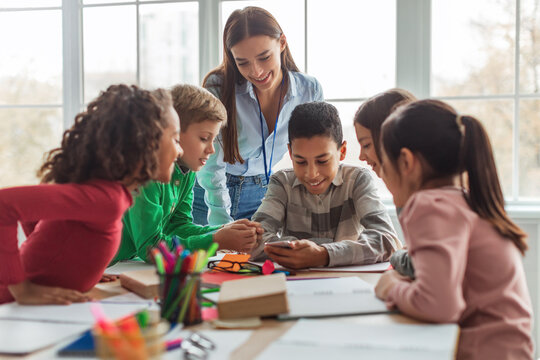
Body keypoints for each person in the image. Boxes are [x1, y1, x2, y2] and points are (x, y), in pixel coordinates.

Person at [373, 99, 533, 359]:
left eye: (383, 162)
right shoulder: (461, 200)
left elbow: (439, 305)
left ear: (406, 161)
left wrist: (390, 287)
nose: (382, 174)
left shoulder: (431, 205)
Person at [0, 84, 181, 304]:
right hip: (10, 306)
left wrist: (75, 268)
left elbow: (40, 212)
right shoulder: (107, 199)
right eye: (175, 139)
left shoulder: (109, 193)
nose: (179, 150)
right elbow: (4, 205)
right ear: (144, 144)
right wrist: (23, 289)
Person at [192, 6, 324, 226]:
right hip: (207, 194)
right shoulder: (218, 87)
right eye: (242, 62)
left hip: (261, 193)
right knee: (205, 261)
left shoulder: (309, 91)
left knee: (255, 261)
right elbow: (211, 165)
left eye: (264, 57)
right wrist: (221, 223)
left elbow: (317, 155)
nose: (256, 72)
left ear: (282, 43)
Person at [112, 84, 263, 264]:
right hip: (104, 265)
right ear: (173, 133)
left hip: (117, 265)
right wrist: (216, 240)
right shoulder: (146, 175)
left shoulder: (187, 172)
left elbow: (178, 227)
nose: (212, 150)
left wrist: (224, 230)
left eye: (214, 140)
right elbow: (149, 248)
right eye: (204, 138)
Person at [250, 102, 400, 269]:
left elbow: (387, 239)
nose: (311, 173)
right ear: (290, 153)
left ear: (342, 152)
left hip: (348, 283)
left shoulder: (357, 180)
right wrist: (301, 251)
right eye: (300, 161)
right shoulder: (282, 183)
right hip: (295, 284)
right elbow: (254, 241)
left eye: (322, 161)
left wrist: (323, 254)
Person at [353, 88, 417, 278]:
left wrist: (399, 256)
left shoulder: (423, 201)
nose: (361, 156)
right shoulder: (408, 195)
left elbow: (415, 264)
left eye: (366, 145)